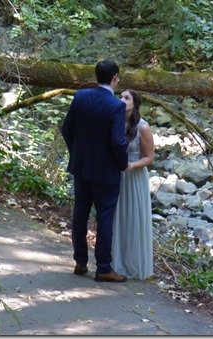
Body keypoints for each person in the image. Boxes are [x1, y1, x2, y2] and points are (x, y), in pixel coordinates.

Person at [61, 59, 129, 283]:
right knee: (104, 218)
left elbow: (67, 129)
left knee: (80, 213)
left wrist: (76, 152)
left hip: (81, 167)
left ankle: (80, 261)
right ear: (115, 78)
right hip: (106, 171)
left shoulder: (81, 96)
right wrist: (122, 163)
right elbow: (118, 142)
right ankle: (103, 267)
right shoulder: (116, 106)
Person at [111, 89, 155, 280]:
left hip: (135, 177)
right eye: (120, 96)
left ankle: (135, 264)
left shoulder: (143, 127)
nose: (122, 100)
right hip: (116, 176)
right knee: (117, 218)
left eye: (127, 98)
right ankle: (116, 262)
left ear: (135, 104)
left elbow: (150, 158)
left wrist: (131, 165)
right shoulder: (116, 122)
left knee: (134, 218)